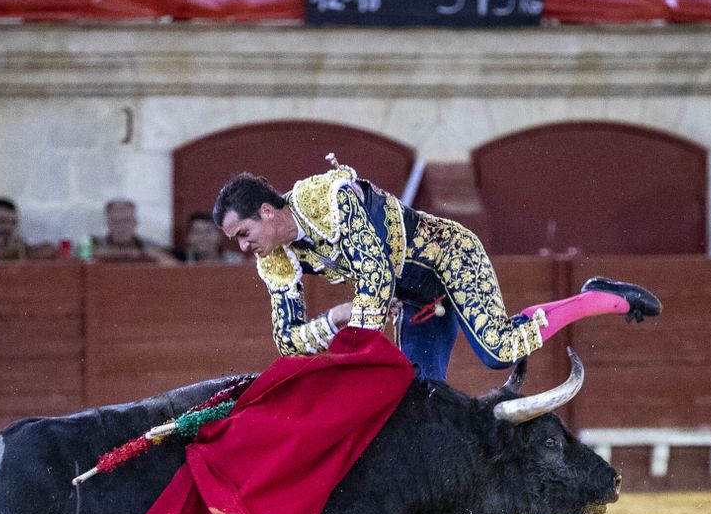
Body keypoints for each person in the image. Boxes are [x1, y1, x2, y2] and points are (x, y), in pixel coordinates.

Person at [212, 156, 660, 380]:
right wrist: (335, 318)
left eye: (243, 234)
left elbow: (376, 274)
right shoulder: (275, 260)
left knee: (499, 351)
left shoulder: (327, 197)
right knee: (419, 397)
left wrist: (358, 344)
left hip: (450, 256)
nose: (244, 246)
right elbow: (287, 343)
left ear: (268, 212)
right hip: (415, 299)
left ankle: (596, 297)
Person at [93, 199, 177, 264]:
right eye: (116, 222)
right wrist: (125, 254)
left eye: (126, 221)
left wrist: (147, 255)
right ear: (107, 224)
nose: (122, 226)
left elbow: (173, 267)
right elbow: (82, 256)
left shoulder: (151, 246)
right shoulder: (95, 244)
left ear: (135, 223)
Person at [175, 211, 241, 264]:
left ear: (219, 236)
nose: (203, 237)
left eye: (208, 231)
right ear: (188, 237)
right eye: (197, 232)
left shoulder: (236, 261)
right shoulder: (180, 261)